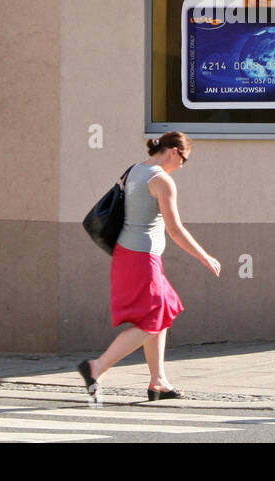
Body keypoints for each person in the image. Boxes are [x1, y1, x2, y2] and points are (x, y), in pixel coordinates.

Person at [77, 132, 221, 400]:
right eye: (184, 160)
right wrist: (204, 256)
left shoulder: (134, 170)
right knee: (151, 320)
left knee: (162, 311)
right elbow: (175, 230)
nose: (182, 166)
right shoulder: (162, 181)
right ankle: (96, 367)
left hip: (128, 254)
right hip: (142, 258)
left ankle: (158, 382)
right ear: (174, 152)